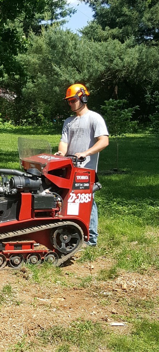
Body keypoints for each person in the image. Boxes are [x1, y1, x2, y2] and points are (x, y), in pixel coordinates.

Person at [56, 83, 109, 246]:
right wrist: (61, 154)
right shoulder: (69, 121)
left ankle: (91, 239)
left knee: (88, 202)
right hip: (70, 169)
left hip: (86, 171)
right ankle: (71, 232)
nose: (70, 104)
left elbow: (104, 141)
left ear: (83, 98)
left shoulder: (94, 118)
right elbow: (64, 142)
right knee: (67, 200)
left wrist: (85, 153)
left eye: (73, 100)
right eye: (69, 101)